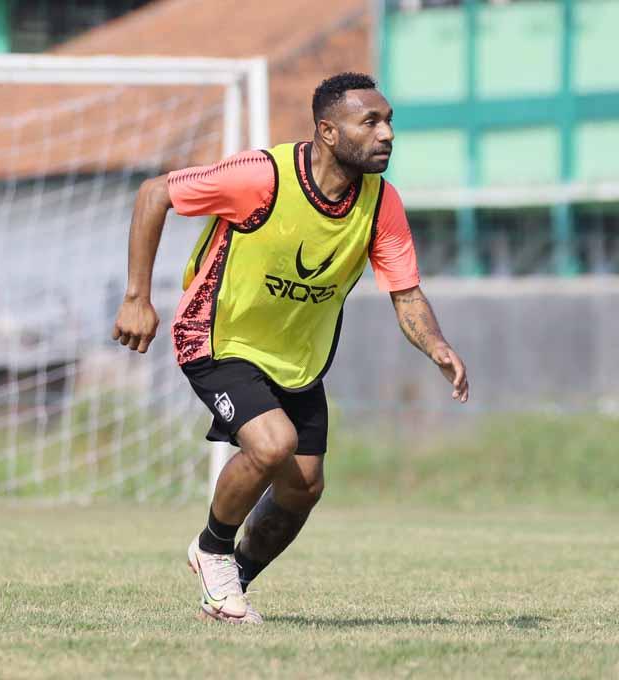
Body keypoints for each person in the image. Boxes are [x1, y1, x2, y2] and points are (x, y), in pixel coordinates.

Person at [112, 72, 469, 624]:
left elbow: (405, 293)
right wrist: (137, 297)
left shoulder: (381, 204)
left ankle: (228, 587)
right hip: (217, 335)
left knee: (303, 488)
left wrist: (437, 345)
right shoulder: (263, 177)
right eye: (370, 122)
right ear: (328, 131)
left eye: (389, 121)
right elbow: (154, 193)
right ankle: (211, 550)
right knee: (272, 443)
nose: (387, 134)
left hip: (297, 360)